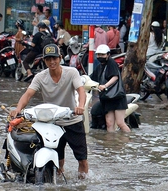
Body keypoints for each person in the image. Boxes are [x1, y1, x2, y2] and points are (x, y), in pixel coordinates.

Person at [10, 43, 89, 179]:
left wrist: (80, 106)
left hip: (72, 120)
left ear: (60, 58)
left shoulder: (72, 72)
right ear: (44, 61)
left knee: (82, 159)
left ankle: (83, 188)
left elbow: (81, 91)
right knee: (58, 160)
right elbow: (28, 94)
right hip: (52, 123)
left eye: (54, 58)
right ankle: (57, 183)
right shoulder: (40, 77)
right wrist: (18, 109)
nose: (52, 62)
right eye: (48, 59)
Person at [90, 44, 130, 132]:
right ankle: (110, 144)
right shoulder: (99, 66)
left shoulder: (111, 63)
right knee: (109, 123)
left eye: (102, 55)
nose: (100, 57)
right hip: (107, 98)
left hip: (117, 97)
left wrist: (105, 86)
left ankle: (128, 141)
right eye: (99, 55)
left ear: (108, 55)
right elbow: (92, 78)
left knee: (120, 123)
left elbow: (115, 77)